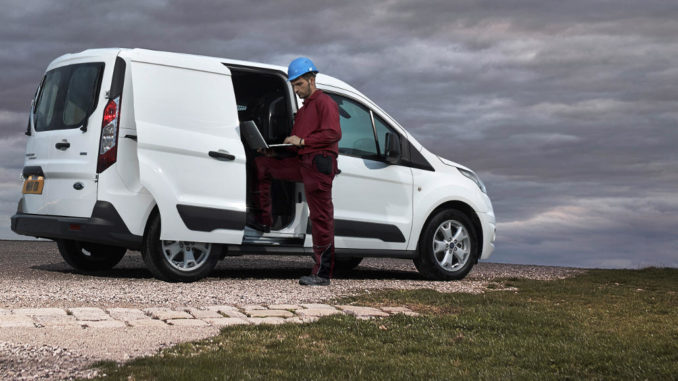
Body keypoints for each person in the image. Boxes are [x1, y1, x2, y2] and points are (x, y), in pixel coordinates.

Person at [252, 57, 341, 286]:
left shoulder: (325, 103)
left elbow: (333, 134)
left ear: (312, 79)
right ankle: (264, 221)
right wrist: (276, 153)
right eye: (293, 85)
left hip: (319, 167)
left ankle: (322, 274)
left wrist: (302, 140)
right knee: (263, 165)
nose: (295, 89)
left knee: (321, 218)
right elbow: (297, 146)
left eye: (298, 84)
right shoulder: (303, 111)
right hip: (302, 163)